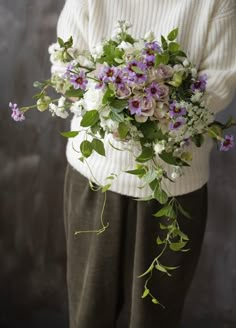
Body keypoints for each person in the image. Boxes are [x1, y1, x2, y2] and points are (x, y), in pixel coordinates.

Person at [52, 1, 236, 327]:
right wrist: (115, 104)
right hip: (94, 174)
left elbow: (221, 80)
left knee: (156, 318)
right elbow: (67, 67)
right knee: (88, 315)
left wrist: (155, 112)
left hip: (175, 185)